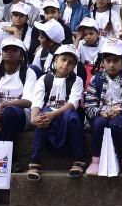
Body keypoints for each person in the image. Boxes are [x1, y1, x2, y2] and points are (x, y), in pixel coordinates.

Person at [24, 44, 86, 179]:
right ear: (55, 60)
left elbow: (72, 103)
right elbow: (37, 102)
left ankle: (78, 160)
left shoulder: (77, 80)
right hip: (48, 113)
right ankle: (35, 162)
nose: (66, 64)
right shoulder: (44, 79)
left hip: (65, 114)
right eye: (63, 60)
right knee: (41, 119)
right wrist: (34, 118)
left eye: (71, 63)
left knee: (73, 117)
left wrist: (53, 114)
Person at [85, 38, 122, 175]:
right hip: (101, 114)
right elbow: (89, 106)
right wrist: (100, 112)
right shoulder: (96, 80)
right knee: (99, 124)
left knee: (116, 125)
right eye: (108, 61)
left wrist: (121, 111)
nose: (111, 65)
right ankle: (95, 160)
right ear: (102, 62)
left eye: (115, 61)